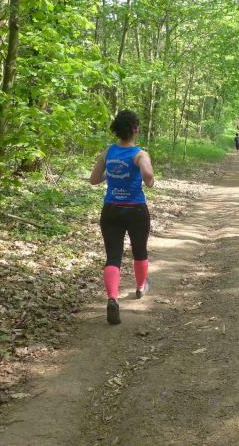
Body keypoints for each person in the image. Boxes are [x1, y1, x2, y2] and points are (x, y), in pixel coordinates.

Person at [89, 110, 154, 325]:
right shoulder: (140, 154)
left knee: (113, 257)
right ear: (135, 129)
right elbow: (148, 175)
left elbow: (94, 180)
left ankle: (112, 299)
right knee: (139, 251)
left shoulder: (109, 152)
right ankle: (140, 287)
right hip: (136, 210)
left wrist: (111, 173)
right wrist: (149, 180)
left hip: (111, 209)